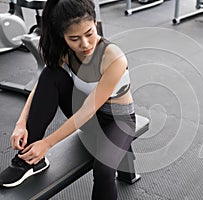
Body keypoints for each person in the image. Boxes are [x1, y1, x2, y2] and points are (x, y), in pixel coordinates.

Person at [0, 0, 136, 199]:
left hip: (117, 121)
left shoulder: (113, 58)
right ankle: (29, 160)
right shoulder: (65, 52)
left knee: (104, 171)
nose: (85, 44)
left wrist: (47, 144)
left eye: (89, 33)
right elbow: (41, 87)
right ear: (63, 37)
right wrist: (21, 124)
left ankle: (38, 150)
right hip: (90, 119)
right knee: (49, 75)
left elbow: (87, 110)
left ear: (95, 22)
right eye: (74, 38)